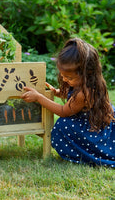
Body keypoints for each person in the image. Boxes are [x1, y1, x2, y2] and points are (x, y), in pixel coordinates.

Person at [22, 38, 115, 167]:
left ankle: (85, 154)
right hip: (89, 120)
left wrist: (38, 97)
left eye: (69, 77)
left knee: (62, 126)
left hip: (93, 129)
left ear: (86, 73)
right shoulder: (82, 84)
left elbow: (63, 111)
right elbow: (71, 96)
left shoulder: (85, 93)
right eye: (63, 75)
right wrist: (56, 92)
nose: (65, 79)